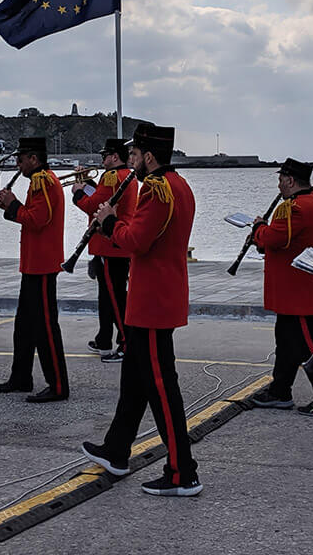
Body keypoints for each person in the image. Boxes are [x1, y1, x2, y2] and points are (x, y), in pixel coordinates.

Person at [81, 123, 202, 496]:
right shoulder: (178, 185)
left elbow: (136, 240)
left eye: (134, 154)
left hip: (153, 301)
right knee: (134, 380)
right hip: (154, 297)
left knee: (162, 387)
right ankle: (116, 450)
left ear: (149, 156)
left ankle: (183, 471)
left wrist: (108, 222)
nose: (130, 160)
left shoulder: (157, 188)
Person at [250, 158, 313, 416]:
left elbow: (274, 237)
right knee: (286, 343)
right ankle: (280, 390)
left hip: (299, 292)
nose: (279, 186)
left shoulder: (297, 207)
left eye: (281, 180)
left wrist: (258, 228)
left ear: (290, 181)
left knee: (311, 347)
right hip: (296, 290)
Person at [0, 137, 68, 402]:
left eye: (21, 159)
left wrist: (12, 204)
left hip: (42, 264)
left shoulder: (43, 181)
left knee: (45, 326)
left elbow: (37, 219)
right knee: (24, 325)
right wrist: (11, 206)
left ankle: (58, 384)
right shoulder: (39, 180)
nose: (18, 164)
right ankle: (21, 376)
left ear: (33, 159)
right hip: (34, 263)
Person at [71, 138, 136, 362]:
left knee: (115, 297)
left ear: (114, 156)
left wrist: (78, 192)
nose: (102, 159)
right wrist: (87, 182)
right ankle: (104, 338)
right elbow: (102, 195)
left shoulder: (111, 176)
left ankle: (126, 343)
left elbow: (94, 205)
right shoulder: (125, 175)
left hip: (109, 244)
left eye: (104, 155)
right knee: (107, 296)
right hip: (116, 243)